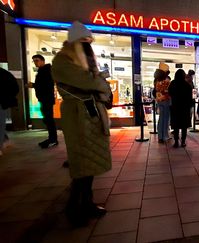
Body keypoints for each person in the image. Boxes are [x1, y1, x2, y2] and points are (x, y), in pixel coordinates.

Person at [51, 21, 112, 227]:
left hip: (91, 116)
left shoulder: (80, 62)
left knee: (90, 165)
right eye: (84, 42)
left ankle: (86, 203)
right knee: (81, 166)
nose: (88, 47)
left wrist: (99, 85)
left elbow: (100, 87)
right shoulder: (63, 61)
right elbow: (94, 83)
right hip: (79, 118)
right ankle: (74, 208)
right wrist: (99, 83)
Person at [27, 54, 58, 148]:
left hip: (46, 99)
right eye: (34, 61)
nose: (35, 62)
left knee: (49, 119)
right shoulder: (43, 70)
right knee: (48, 119)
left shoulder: (46, 70)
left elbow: (46, 85)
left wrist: (34, 85)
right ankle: (52, 138)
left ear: (42, 60)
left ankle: (53, 139)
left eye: (37, 60)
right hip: (45, 98)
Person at [168, 69, 193, 148]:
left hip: (175, 107)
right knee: (184, 126)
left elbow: (169, 92)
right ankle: (183, 142)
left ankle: (176, 142)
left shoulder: (173, 83)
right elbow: (190, 97)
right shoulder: (187, 85)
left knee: (176, 125)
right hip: (184, 108)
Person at [0, 68, 19, 156]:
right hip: (3, 101)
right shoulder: (4, 73)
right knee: (1, 123)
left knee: (0, 123)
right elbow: (15, 88)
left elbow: (14, 88)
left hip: (2, 101)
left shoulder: (3, 74)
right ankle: (5, 140)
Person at [154, 62, 171, 143]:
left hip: (159, 101)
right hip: (166, 100)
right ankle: (165, 136)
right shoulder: (166, 80)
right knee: (166, 118)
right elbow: (169, 91)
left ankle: (160, 136)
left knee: (161, 118)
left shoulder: (156, 80)